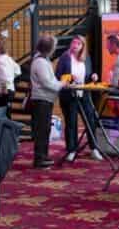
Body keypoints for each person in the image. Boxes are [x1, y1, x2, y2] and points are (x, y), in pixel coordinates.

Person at [55, 34, 102, 162]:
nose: (75, 45)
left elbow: (88, 75)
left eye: (78, 43)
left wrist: (93, 76)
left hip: (84, 94)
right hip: (69, 95)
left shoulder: (86, 58)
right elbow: (58, 75)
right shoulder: (65, 57)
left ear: (82, 46)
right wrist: (70, 77)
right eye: (73, 43)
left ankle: (94, 149)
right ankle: (71, 150)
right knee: (71, 122)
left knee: (90, 120)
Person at [29, 35, 65, 168]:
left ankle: (43, 156)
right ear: (48, 48)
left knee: (45, 130)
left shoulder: (44, 60)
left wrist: (60, 83)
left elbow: (51, 80)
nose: (54, 49)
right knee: (42, 131)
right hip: (41, 100)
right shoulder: (40, 62)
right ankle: (39, 159)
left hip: (45, 100)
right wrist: (62, 84)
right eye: (53, 47)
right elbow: (47, 83)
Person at [0, 39, 20, 115]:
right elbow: (18, 71)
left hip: (0, 93)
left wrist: (4, 87)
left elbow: (5, 78)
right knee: (5, 114)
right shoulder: (8, 58)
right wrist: (11, 78)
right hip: (8, 91)